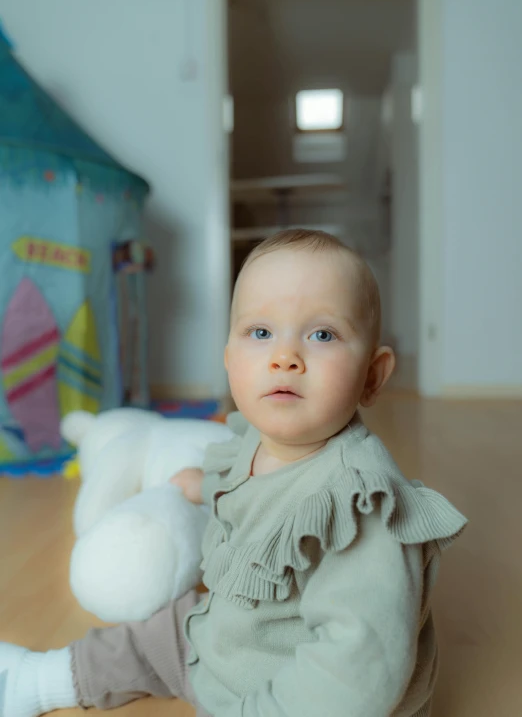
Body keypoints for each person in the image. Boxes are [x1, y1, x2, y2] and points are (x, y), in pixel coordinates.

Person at [0, 229, 467, 717]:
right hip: (225, 637)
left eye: (322, 334)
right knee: (151, 636)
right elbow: (250, 488)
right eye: (260, 333)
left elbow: (362, 666)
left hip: (294, 695)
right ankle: (38, 681)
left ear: (372, 376)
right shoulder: (256, 439)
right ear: (229, 361)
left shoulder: (358, 505)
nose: (284, 357)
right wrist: (206, 486)